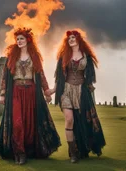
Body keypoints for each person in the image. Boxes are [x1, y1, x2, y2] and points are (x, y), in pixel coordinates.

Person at [0, 27, 61, 165]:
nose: (19, 41)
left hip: (31, 92)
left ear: (28, 40)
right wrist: (2, 94)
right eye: (17, 39)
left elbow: (41, 74)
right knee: (17, 123)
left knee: (30, 124)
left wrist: (46, 91)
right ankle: (20, 153)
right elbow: (5, 77)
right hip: (16, 91)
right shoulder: (12, 57)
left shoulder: (34, 57)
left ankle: (29, 150)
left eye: (22, 39)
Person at [47, 30, 106, 163]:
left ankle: (81, 148)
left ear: (79, 39)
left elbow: (90, 75)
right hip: (66, 90)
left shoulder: (87, 57)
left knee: (82, 120)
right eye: (69, 39)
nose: (71, 40)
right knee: (69, 119)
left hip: (81, 91)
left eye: (73, 37)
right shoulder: (63, 56)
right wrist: (54, 90)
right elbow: (59, 76)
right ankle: (73, 152)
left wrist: (90, 86)